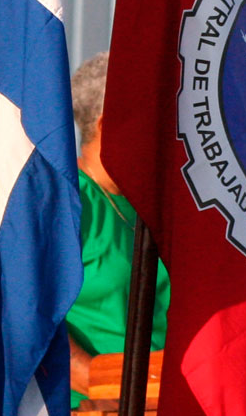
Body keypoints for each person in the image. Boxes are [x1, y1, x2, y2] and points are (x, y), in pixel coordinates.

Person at [67, 51, 170, 409]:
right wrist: (95, 380)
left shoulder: (160, 203)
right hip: (96, 402)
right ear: (107, 125)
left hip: (170, 394)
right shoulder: (68, 202)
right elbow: (25, 313)